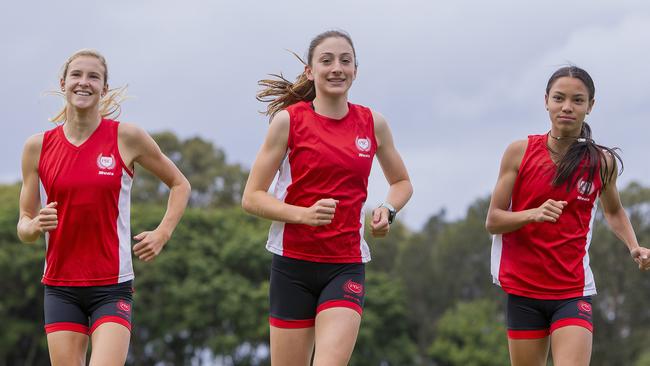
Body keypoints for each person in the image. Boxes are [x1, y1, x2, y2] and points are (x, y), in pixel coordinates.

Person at [242, 30, 412, 366]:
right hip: (292, 265)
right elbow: (252, 197)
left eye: (345, 61)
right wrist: (302, 215)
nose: (337, 68)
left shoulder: (372, 123)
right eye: (327, 60)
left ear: (355, 71)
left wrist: (387, 209)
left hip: (344, 265)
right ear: (310, 71)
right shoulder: (288, 122)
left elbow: (402, 182)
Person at [17, 49, 191, 366]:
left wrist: (163, 233)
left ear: (104, 88)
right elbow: (24, 224)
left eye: (93, 77)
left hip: (111, 286)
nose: (84, 83)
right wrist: (33, 225)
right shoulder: (36, 147)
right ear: (63, 83)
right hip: (60, 287)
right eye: (77, 75)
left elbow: (180, 184)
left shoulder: (127, 137)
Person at [485, 65, 650, 366]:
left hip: (572, 291)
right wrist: (533, 214)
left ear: (590, 106)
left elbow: (613, 211)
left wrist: (633, 246)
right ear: (546, 100)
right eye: (559, 98)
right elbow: (493, 220)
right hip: (523, 291)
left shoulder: (601, 162)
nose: (567, 107)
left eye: (577, 100)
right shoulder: (518, 152)